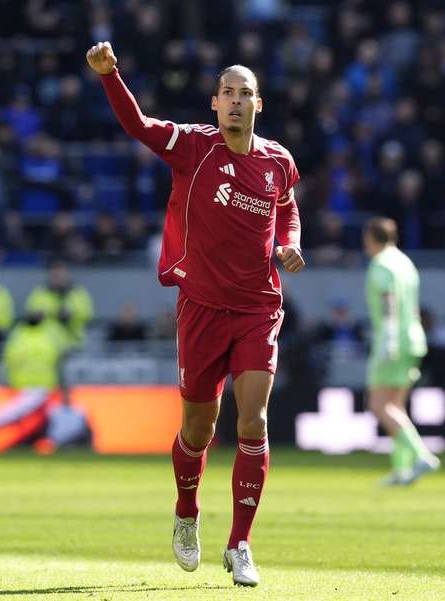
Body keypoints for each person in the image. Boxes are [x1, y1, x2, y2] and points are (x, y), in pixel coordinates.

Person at [88, 41, 305, 587]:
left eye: (245, 93)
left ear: (261, 103)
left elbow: (287, 208)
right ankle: (188, 511)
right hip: (202, 309)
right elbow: (137, 125)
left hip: (258, 307)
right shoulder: (194, 146)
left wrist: (289, 242)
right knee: (198, 429)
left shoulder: (278, 160)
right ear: (213, 103)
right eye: (227, 93)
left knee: (253, 419)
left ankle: (241, 544)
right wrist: (111, 75)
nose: (235, 102)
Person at [363, 218, 437, 487]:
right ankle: (402, 469)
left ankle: (421, 455)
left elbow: (388, 302)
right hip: (414, 338)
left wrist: (389, 340)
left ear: (372, 237)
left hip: (392, 339)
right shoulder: (405, 262)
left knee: (380, 405)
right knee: (396, 406)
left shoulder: (381, 263)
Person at [25, 257, 94, 350]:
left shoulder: (78, 293)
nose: (57, 275)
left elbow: (88, 315)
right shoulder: (39, 294)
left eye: (60, 271)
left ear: (67, 273)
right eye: (54, 272)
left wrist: (71, 315)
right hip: (46, 346)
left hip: (73, 345)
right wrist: (39, 316)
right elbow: (31, 316)